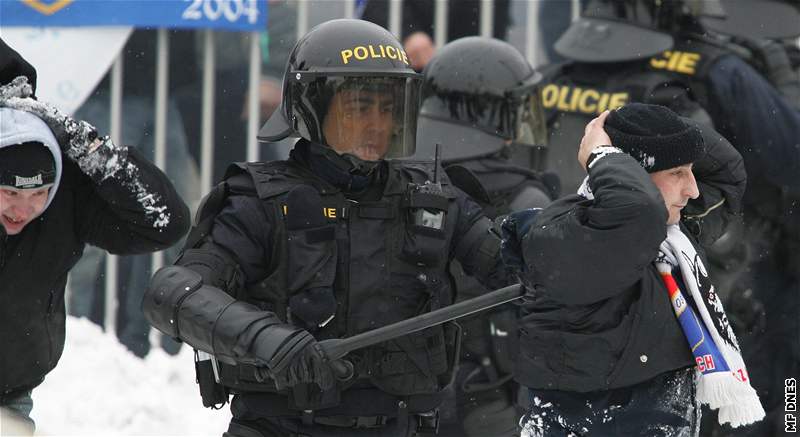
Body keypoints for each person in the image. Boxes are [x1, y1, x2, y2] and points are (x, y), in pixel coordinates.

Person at [142, 19, 513, 437]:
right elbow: (171, 293)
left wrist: (585, 213)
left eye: (388, 108)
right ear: (313, 108)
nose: (378, 123)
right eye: (359, 107)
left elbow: (519, 267)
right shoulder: (260, 203)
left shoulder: (432, 196)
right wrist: (267, 340)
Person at [504, 103, 758, 436]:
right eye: (677, 173)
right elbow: (635, 211)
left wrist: (639, 125)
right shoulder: (574, 237)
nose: (693, 189)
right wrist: (604, 152)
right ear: (636, 175)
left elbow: (727, 173)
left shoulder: (672, 237)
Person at [0, 73, 190, 432]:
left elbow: (165, 222)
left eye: (37, 194)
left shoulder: (65, 201)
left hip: (10, 394)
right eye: (10, 193)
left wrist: (89, 148)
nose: (22, 210)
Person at [414, 36, 556, 437]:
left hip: (399, 396)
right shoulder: (525, 196)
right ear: (500, 116)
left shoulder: (392, 175)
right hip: (491, 400)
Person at [360, 0, 512, 71]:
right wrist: (409, 34)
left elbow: (494, 24)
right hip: (412, 73)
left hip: (472, 76)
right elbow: (375, 8)